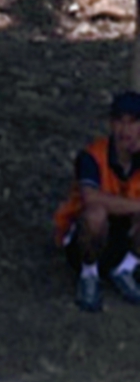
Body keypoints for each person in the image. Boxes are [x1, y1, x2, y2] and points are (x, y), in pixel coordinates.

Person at [54, 91, 140, 312]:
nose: (125, 129)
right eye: (120, 121)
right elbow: (90, 197)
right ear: (111, 124)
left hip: (124, 234)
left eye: (133, 122)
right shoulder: (92, 156)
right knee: (96, 214)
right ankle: (88, 274)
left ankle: (126, 269)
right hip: (87, 237)